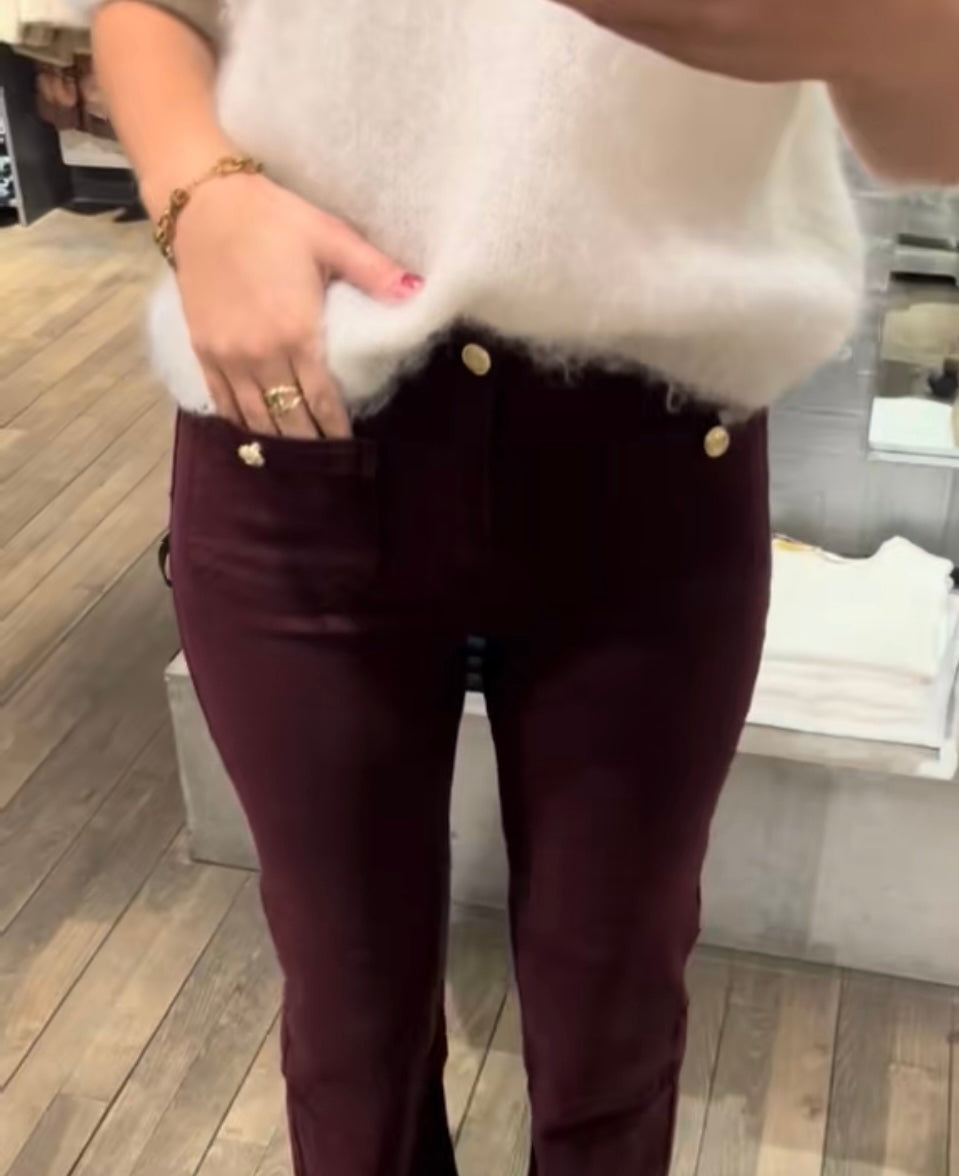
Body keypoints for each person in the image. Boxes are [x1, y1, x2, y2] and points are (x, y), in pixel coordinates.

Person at [86, 1, 959, 1173]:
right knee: (349, 1047)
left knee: (612, 1039)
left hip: (654, 436)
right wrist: (199, 192)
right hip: (300, 419)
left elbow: (927, 128)